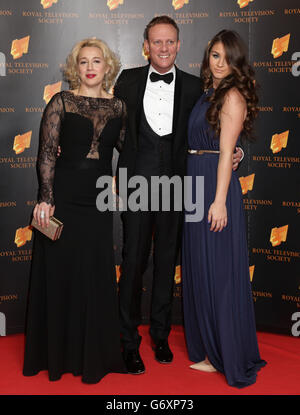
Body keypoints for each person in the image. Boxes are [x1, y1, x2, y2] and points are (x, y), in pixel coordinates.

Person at [114, 16, 243, 374]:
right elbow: (111, 128)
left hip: (178, 188)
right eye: (157, 42)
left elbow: (217, 129)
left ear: (179, 44)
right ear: (146, 45)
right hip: (137, 186)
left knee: (167, 263)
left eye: (170, 42)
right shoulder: (127, 80)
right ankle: (127, 341)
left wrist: (237, 154)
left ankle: (159, 334)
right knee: (134, 260)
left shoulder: (194, 87)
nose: (164, 48)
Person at [23, 38, 127, 383]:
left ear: (107, 66)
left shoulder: (119, 108)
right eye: (84, 62)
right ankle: (58, 353)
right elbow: (47, 152)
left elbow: (130, 153)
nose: (91, 67)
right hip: (64, 197)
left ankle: (92, 353)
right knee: (62, 271)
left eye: (97, 61)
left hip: (98, 201)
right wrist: (46, 196)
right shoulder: (61, 102)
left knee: (92, 273)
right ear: (75, 68)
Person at [182, 30, 266, 388]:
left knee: (219, 272)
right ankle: (207, 350)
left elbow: (225, 151)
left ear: (237, 63)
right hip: (194, 184)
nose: (219, 63)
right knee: (200, 268)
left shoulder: (231, 96)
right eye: (214, 55)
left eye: (226, 58)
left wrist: (218, 201)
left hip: (214, 190)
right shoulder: (207, 94)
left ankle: (225, 354)